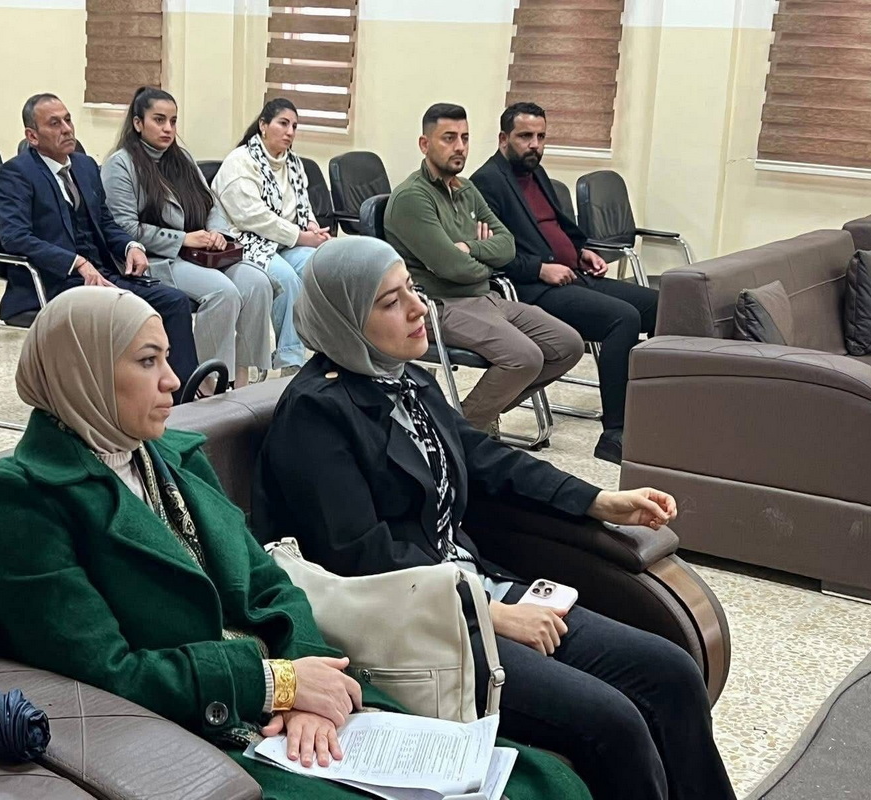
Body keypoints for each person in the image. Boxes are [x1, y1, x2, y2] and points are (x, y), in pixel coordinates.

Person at [0, 285, 591, 800]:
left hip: (287, 702)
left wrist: (306, 682)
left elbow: (272, 582)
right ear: (81, 373)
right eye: (147, 362)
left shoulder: (170, 456)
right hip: (201, 731)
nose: (172, 380)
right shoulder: (29, 496)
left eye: (167, 357)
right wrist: (276, 684)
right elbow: (103, 674)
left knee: (541, 781)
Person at [252, 238, 736, 800]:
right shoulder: (315, 415)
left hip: (481, 593)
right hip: (421, 629)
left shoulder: (404, 379)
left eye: (411, 288)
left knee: (670, 670)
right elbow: (361, 556)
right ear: (345, 321)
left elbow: (483, 458)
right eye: (390, 301)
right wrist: (486, 614)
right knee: (614, 722)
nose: (417, 307)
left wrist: (596, 499)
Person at [470, 102, 658, 463]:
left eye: (541, 137)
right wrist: (540, 269)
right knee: (623, 319)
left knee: (660, 305)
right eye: (525, 136)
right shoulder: (486, 183)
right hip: (532, 289)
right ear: (503, 138)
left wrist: (582, 250)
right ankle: (615, 433)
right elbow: (492, 252)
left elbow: (559, 226)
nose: (535, 144)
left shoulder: (536, 173)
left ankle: (650, 409)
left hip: (574, 275)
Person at [384, 103, 584, 437]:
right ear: (424, 144)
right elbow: (453, 268)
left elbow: (508, 246)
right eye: (448, 138)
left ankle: (473, 417)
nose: (460, 147)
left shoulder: (465, 188)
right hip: (440, 305)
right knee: (525, 357)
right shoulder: (412, 198)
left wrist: (471, 248)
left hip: (485, 297)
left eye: (465, 138)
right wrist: (483, 260)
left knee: (568, 345)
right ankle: (459, 433)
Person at [0, 92, 198, 389]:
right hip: (53, 282)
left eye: (68, 120)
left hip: (103, 274)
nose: (67, 129)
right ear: (32, 136)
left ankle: (180, 397)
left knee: (174, 302)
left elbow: (105, 221)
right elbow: (15, 237)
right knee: (130, 312)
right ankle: (124, 396)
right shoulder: (17, 173)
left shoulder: (85, 166)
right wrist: (75, 262)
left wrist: (131, 246)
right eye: (54, 123)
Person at [102, 87, 272, 389]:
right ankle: (207, 384)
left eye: (173, 121)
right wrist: (181, 239)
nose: (168, 129)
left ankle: (243, 379)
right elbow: (123, 227)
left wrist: (217, 233)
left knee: (258, 283)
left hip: (200, 253)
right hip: (158, 259)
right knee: (223, 293)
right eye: (159, 120)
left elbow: (212, 204)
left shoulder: (182, 158)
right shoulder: (121, 164)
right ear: (138, 123)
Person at [212, 98, 330, 374]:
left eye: (294, 126)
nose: (290, 132)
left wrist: (312, 228)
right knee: (286, 279)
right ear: (263, 126)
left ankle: (325, 352)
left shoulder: (293, 163)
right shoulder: (240, 161)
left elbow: (303, 206)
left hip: (284, 241)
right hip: (244, 240)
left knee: (319, 266)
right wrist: (302, 237)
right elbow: (253, 218)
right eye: (283, 123)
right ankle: (291, 362)